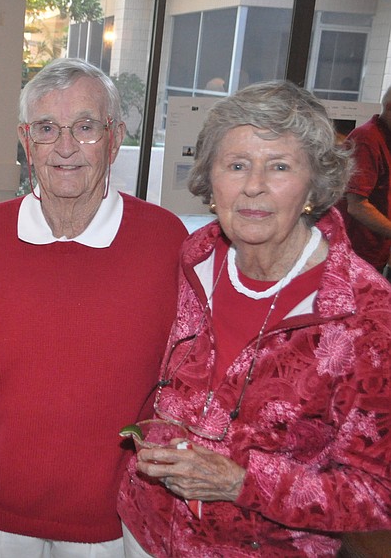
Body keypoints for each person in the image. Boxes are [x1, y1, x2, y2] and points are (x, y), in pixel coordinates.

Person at [118, 81, 391, 556]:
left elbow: (377, 496)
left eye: (280, 166)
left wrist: (242, 482)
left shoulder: (366, 317)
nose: (253, 186)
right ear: (211, 180)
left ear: (315, 184)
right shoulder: (197, 256)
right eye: (237, 165)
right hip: (143, 530)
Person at [0, 58, 187, 557]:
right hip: (1, 510)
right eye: (46, 129)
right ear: (26, 141)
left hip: (120, 519)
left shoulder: (166, 240)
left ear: (115, 135)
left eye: (85, 127)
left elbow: (189, 378)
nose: (65, 148)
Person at [340, 86, 391, 273]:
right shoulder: (367, 139)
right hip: (355, 253)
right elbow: (356, 206)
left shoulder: (384, 138)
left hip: (372, 252)